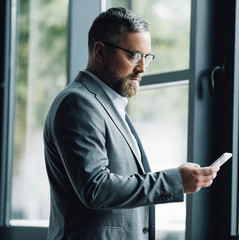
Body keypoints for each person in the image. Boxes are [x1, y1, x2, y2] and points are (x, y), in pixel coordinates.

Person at [44, 7, 219, 240]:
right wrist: (175, 180)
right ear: (100, 52)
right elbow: (95, 188)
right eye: (134, 55)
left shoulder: (110, 105)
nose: (142, 68)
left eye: (146, 57)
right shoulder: (78, 103)